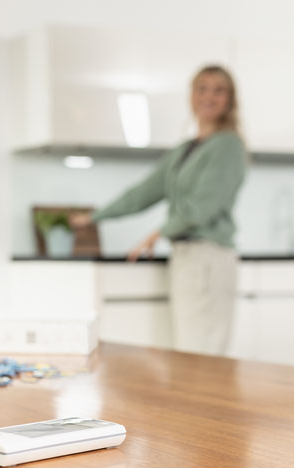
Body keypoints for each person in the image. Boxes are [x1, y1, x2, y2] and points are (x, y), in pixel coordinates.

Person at [71, 64, 247, 355]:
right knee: (187, 352)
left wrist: (157, 234)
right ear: (191, 95)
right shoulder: (186, 149)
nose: (209, 96)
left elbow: (202, 206)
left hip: (209, 257)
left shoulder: (228, 146)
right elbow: (144, 193)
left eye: (219, 90)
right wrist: (94, 217)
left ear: (230, 99)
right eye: (202, 88)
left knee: (202, 354)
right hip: (186, 257)